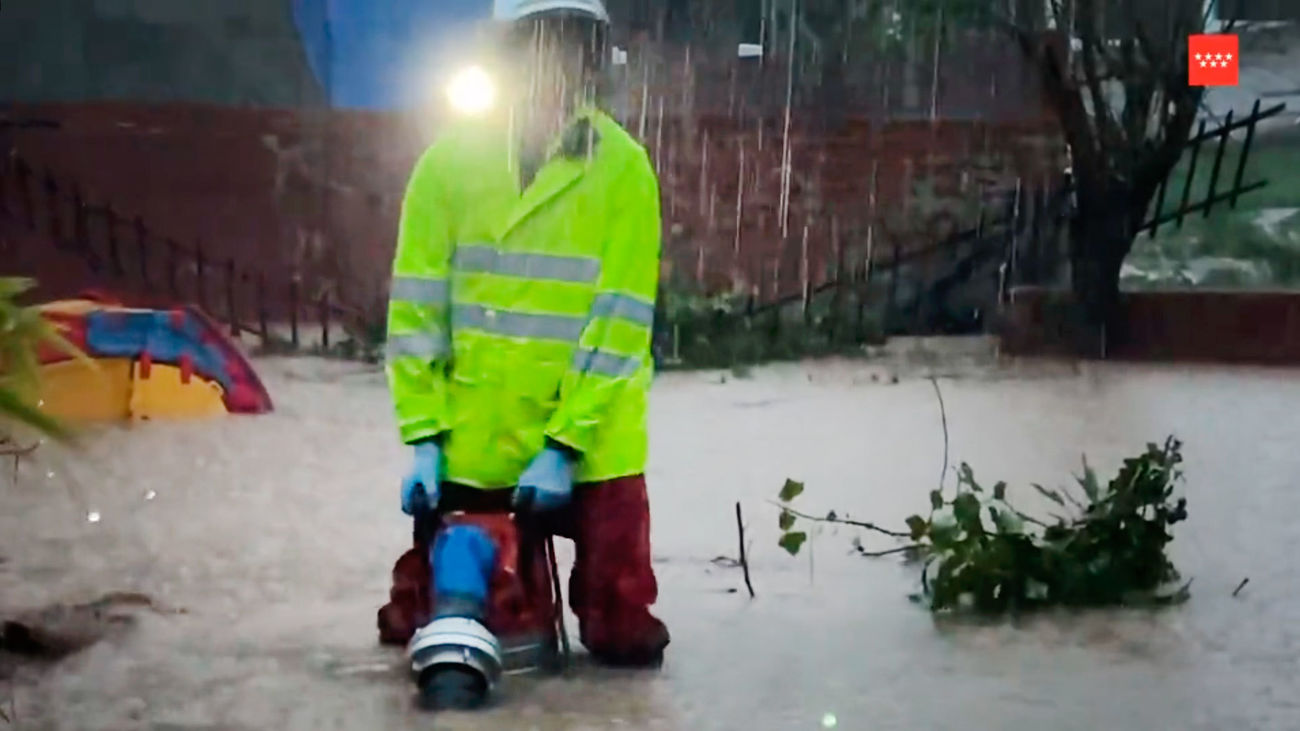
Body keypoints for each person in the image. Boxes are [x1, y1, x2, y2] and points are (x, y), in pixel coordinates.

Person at [379, 0, 670, 668]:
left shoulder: (624, 171)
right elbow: (416, 311)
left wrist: (566, 446)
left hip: (596, 435)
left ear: (591, 59)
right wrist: (423, 437)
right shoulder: (445, 165)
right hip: (480, 428)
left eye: (569, 47)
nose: (552, 65)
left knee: (621, 635)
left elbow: (620, 323)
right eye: (537, 44)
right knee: (427, 621)